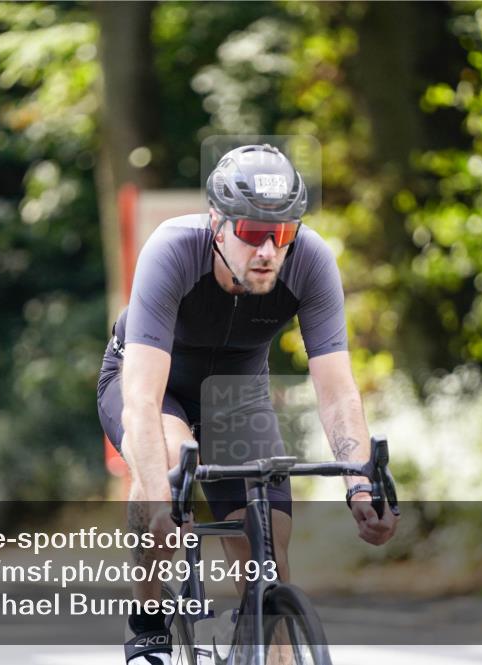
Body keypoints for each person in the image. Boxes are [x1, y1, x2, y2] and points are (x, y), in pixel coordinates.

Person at [96, 144, 398, 664]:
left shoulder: (311, 261)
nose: (268, 250)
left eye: (281, 234)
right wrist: (158, 497)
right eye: (253, 233)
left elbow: (337, 389)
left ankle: (265, 646)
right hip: (153, 386)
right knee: (167, 472)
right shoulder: (172, 251)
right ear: (218, 225)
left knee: (267, 549)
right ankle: (147, 625)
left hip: (236, 392)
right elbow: (142, 398)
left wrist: (360, 483)